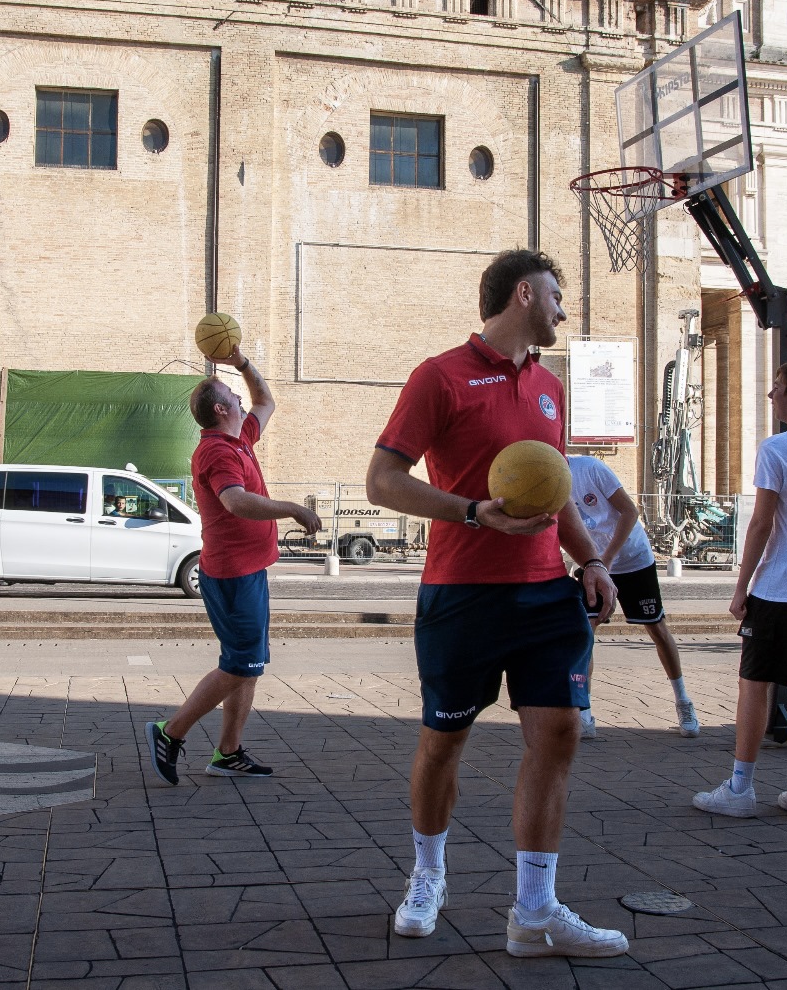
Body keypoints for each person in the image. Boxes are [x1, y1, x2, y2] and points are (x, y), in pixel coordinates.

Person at [365, 249, 629, 958]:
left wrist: (592, 560)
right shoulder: (440, 376)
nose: (564, 310)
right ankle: (428, 876)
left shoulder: (549, 386)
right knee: (442, 743)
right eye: (556, 295)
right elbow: (382, 481)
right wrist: (472, 512)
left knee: (560, 734)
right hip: (462, 594)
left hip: (545, 594)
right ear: (524, 294)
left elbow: (556, 491)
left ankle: (534, 914)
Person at [144, 346, 321, 784]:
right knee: (241, 664)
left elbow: (265, 400)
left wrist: (241, 362)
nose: (241, 398)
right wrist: (292, 509)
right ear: (221, 410)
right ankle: (171, 732)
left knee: (249, 663)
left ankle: (228, 752)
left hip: (248, 571)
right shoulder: (218, 452)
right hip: (232, 574)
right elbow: (236, 501)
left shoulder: (239, 438)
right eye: (232, 396)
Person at [692, 360, 787, 821]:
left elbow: (761, 523)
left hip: (783, 584)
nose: (771, 395)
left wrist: (741, 587)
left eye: (776, 387)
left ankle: (740, 787)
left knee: (754, 682)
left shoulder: (777, 448)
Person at [566, 454, 700, 739]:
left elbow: (630, 511)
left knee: (657, 628)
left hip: (631, 559)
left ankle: (683, 700)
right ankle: (585, 712)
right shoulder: (548, 482)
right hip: (594, 562)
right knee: (586, 631)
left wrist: (606, 559)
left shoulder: (590, 468)